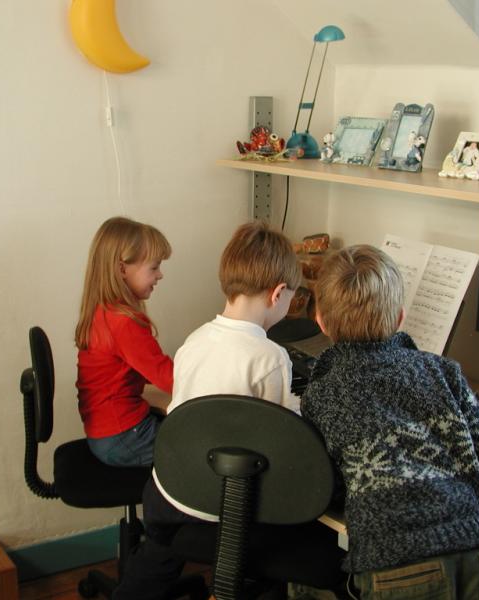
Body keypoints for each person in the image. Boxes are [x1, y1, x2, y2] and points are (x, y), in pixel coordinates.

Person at [113, 221, 340, 599]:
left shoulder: (194, 341)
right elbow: (284, 441)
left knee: (157, 560)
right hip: (223, 505)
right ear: (278, 294)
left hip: (169, 491)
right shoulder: (269, 357)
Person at [301, 244, 479, 600]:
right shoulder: (442, 370)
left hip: (396, 565)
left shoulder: (322, 395)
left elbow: (327, 486)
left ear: (320, 320)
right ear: (400, 318)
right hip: (475, 552)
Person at [74, 216, 172, 467]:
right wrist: (210, 380)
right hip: (123, 436)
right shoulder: (124, 322)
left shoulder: (103, 313)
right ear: (121, 270)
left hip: (106, 434)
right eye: (154, 267)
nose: (160, 275)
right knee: (201, 447)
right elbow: (166, 377)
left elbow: (137, 370)